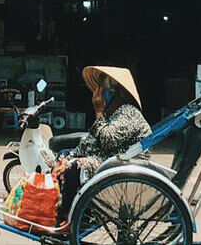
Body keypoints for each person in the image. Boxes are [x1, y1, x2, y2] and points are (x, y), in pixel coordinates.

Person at [51, 66, 151, 228]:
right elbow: (91, 142)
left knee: (72, 166)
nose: (98, 93)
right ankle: (62, 209)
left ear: (114, 93)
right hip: (111, 159)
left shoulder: (128, 112)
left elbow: (108, 140)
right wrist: (67, 157)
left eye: (102, 89)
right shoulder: (112, 114)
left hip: (123, 165)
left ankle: (73, 218)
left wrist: (98, 112)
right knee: (63, 156)